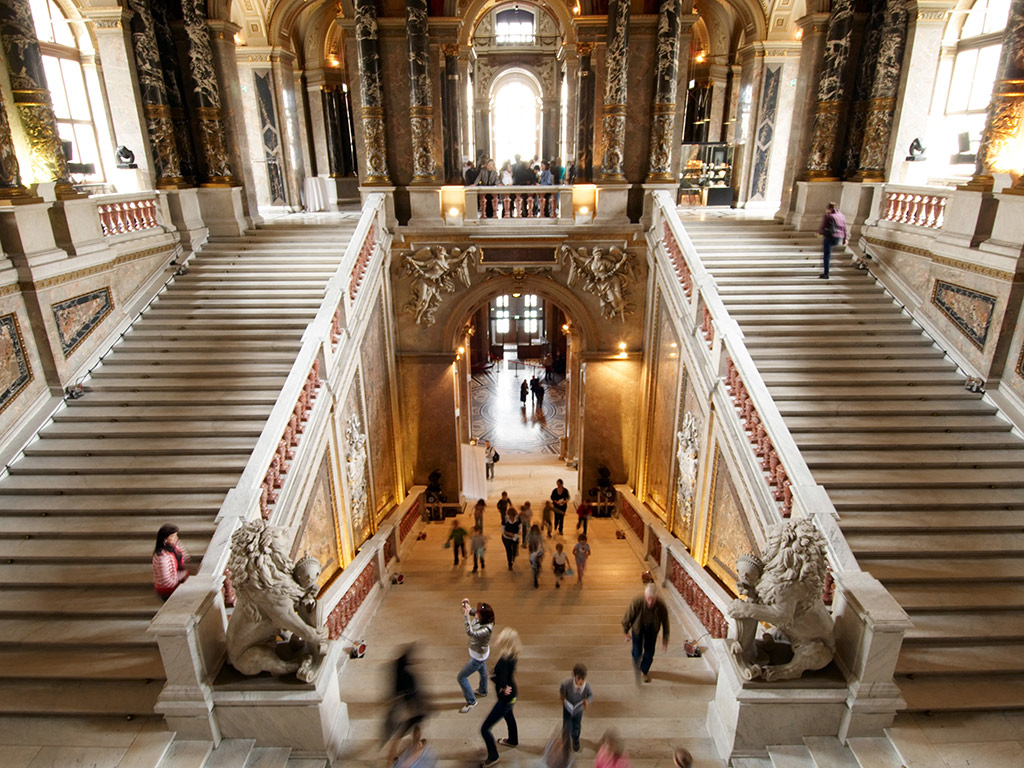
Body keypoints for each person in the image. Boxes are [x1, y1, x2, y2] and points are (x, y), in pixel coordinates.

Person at [480, 627, 520, 767]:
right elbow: (506, 675)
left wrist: (493, 677)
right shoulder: (512, 654)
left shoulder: (503, 659)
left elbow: (502, 680)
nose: (497, 638)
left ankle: (493, 756)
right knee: (509, 715)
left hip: (505, 698)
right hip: (513, 695)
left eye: (500, 637)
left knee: (484, 729)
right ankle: (513, 740)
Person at [384, 648, 427, 767]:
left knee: (398, 736)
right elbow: (416, 692)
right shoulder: (409, 676)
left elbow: (395, 692)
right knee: (415, 728)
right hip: (413, 708)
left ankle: (389, 762)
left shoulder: (397, 672)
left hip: (403, 708)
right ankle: (416, 745)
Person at [622, 584, 670, 683]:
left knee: (649, 652)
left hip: (652, 629)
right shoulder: (637, 602)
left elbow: (665, 623)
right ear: (645, 596)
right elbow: (628, 616)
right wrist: (626, 631)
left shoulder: (661, 606)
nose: (650, 602)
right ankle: (637, 665)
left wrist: (665, 639)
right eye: (648, 598)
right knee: (637, 652)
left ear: (656, 597)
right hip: (638, 628)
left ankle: (644, 671)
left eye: (653, 599)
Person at [458, 599, 495, 713]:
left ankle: (471, 701)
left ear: (483, 617)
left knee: (461, 678)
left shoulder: (486, 629)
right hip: (480, 653)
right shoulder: (483, 617)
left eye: (478, 613)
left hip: (478, 656)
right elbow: (473, 612)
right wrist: (467, 607)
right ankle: (483, 690)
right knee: (482, 671)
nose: (476, 613)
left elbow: (471, 633)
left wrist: (466, 616)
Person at [559, 663, 594, 752]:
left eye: (583, 679)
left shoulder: (587, 687)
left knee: (577, 725)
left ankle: (575, 739)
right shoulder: (567, 684)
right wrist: (562, 697)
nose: (581, 681)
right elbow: (562, 689)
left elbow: (591, 696)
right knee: (566, 725)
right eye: (579, 679)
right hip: (568, 708)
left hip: (578, 709)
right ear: (574, 677)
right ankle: (565, 742)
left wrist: (587, 701)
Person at [153, 523, 189, 600]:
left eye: (176, 535)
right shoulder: (161, 557)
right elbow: (167, 581)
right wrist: (183, 575)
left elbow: (184, 556)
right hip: (168, 589)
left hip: (178, 579)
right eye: (173, 536)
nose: (176, 538)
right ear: (165, 539)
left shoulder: (174, 545)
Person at [818, 201, 847, 280]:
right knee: (829, 254)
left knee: (827, 255)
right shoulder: (841, 215)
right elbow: (844, 228)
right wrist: (844, 238)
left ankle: (826, 273)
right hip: (839, 237)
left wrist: (820, 232)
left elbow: (824, 225)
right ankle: (826, 272)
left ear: (828, 208)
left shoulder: (829, 215)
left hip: (830, 236)